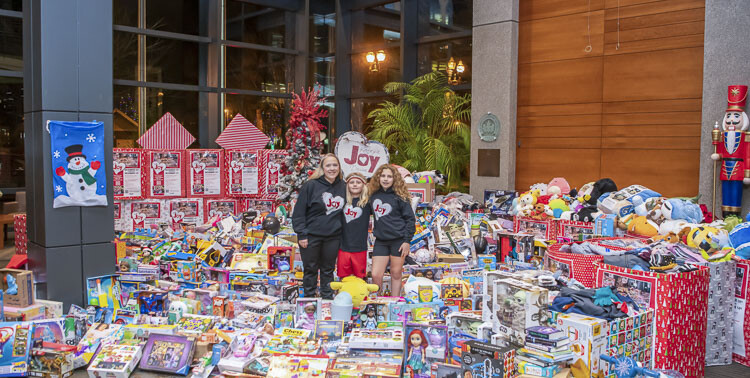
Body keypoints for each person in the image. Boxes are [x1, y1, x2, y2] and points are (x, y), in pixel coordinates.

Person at [292, 153, 346, 299]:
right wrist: (301, 234)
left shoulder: (343, 186)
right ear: (322, 168)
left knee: (328, 270)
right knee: (310, 269)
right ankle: (309, 300)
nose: (332, 168)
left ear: (339, 167)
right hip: (311, 236)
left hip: (333, 237)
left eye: (335, 165)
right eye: (328, 165)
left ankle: (327, 300)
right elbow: (299, 212)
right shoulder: (311, 185)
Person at [368, 164, 416, 297]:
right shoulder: (373, 195)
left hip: (398, 241)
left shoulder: (400, 196)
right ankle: (378, 302)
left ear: (395, 179)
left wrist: (407, 241)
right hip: (381, 241)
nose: (385, 179)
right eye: (383, 176)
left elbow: (410, 220)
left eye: (389, 176)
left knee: (396, 272)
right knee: (376, 274)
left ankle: (394, 302)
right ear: (378, 177)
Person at [338, 172, 371, 279]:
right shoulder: (342, 202)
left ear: (363, 185)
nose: (355, 184)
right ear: (347, 185)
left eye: (358, 182)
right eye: (352, 182)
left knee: (359, 277)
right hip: (343, 247)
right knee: (343, 278)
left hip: (360, 248)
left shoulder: (367, 203)